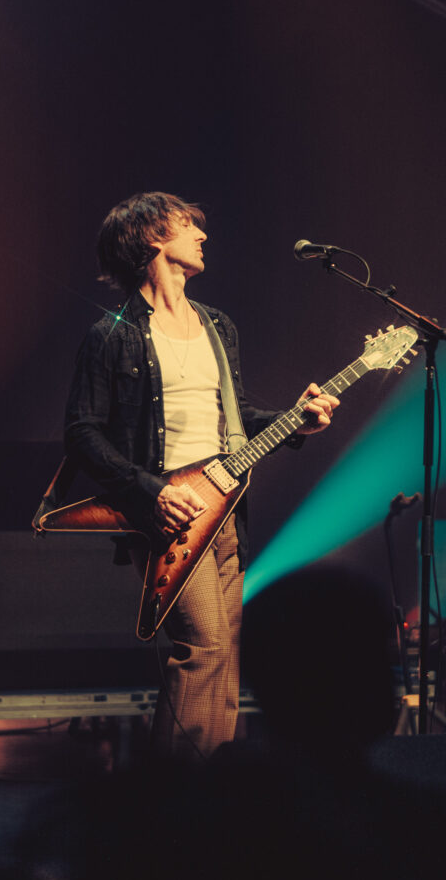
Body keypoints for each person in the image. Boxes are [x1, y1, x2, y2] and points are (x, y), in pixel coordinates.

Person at [57, 192, 338, 759]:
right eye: (187, 225)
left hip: (227, 510)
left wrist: (296, 421)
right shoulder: (112, 334)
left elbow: (234, 416)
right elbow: (82, 432)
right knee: (204, 647)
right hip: (166, 513)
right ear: (152, 238)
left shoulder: (218, 326)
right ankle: (176, 796)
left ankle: (211, 791)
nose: (203, 235)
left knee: (224, 654)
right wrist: (151, 492)